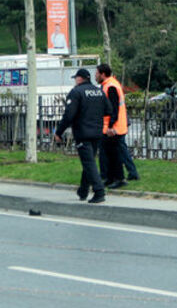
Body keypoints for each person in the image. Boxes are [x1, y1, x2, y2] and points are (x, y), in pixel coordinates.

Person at [54, 68, 112, 204]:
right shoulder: (99, 91)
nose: (75, 80)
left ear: (80, 78)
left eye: (76, 78)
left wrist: (59, 132)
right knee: (89, 161)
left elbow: (69, 115)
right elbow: (108, 110)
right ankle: (83, 190)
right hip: (97, 132)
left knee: (89, 162)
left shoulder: (76, 92)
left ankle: (99, 191)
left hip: (83, 132)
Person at [95, 64, 138, 185]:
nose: (95, 76)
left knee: (113, 153)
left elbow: (114, 108)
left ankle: (115, 177)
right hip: (116, 125)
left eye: (97, 73)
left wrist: (110, 126)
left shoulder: (110, 86)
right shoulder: (110, 84)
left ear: (103, 74)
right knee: (117, 151)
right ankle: (122, 175)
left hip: (114, 127)